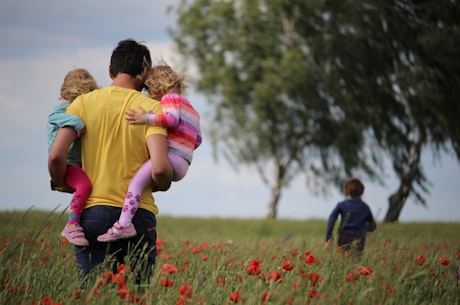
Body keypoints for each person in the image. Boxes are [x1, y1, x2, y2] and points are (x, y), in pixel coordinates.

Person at [48, 39, 173, 285]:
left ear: (110, 71)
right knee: (136, 296)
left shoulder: (82, 104)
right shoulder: (152, 109)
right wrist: (165, 181)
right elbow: (159, 168)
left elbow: (55, 155)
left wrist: (61, 181)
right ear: (145, 73)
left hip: (92, 214)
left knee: (93, 294)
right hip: (138, 216)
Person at [97, 64, 202, 242]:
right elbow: (197, 140)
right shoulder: (192, 109)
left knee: (135, 184)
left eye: (150, 90)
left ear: (158, 86)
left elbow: (171, 120)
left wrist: (144, 118)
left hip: (172, 158)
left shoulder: (170, 98)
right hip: (184, 163)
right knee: (145, 182)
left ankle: (124, 224)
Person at [47, 68, 98, 246]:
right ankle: (72, 224)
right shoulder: (63, 109)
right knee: (84, 185)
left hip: (77, 163)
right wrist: (77, 123)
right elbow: (54, 117)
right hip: (68, 164)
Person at [325, 177, 376, 259]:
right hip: (359, 238)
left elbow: (331, 219)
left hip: (344, 237)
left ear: (347, 190)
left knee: (344, 260)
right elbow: (373, 226)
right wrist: (363, 229)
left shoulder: (342, 205)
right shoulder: (365, 207)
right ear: (361, 191)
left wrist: (328, 236)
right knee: (355, 261)